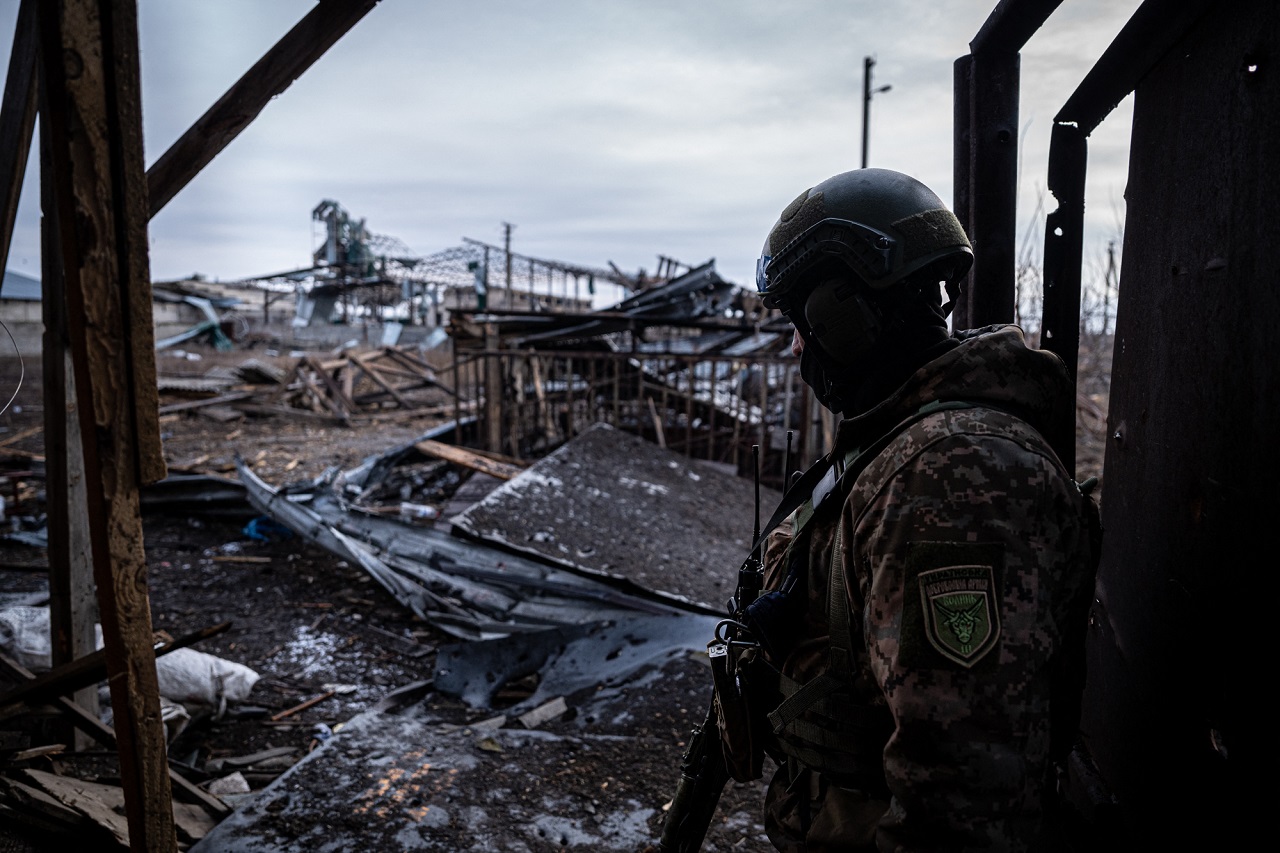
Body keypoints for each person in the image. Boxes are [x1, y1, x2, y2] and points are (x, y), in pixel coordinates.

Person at [734, 167, 1097, 851]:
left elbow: (961, 799)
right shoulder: (902, 443)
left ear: (843, 313)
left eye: (801, 322)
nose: (795, 346)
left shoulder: (951, 476)